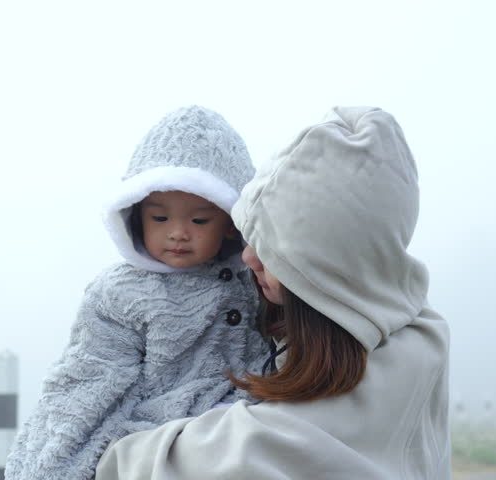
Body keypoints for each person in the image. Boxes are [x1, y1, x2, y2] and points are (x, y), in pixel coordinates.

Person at [95, 106, 451, 480]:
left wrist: (111, 447)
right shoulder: (418, 327)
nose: (247, 257)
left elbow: (168, 462)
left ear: (329, 268)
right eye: (250, 236)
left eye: (274, 251)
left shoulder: (289, 436)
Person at [5, 106, 270, 480]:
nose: (178, 232)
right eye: (160, 218)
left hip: (248, 432)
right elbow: (88, 381)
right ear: (135, 217)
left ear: (230, 223)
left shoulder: (255, 281)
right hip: (160, 438)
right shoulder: (120, 293)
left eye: (199, 220)